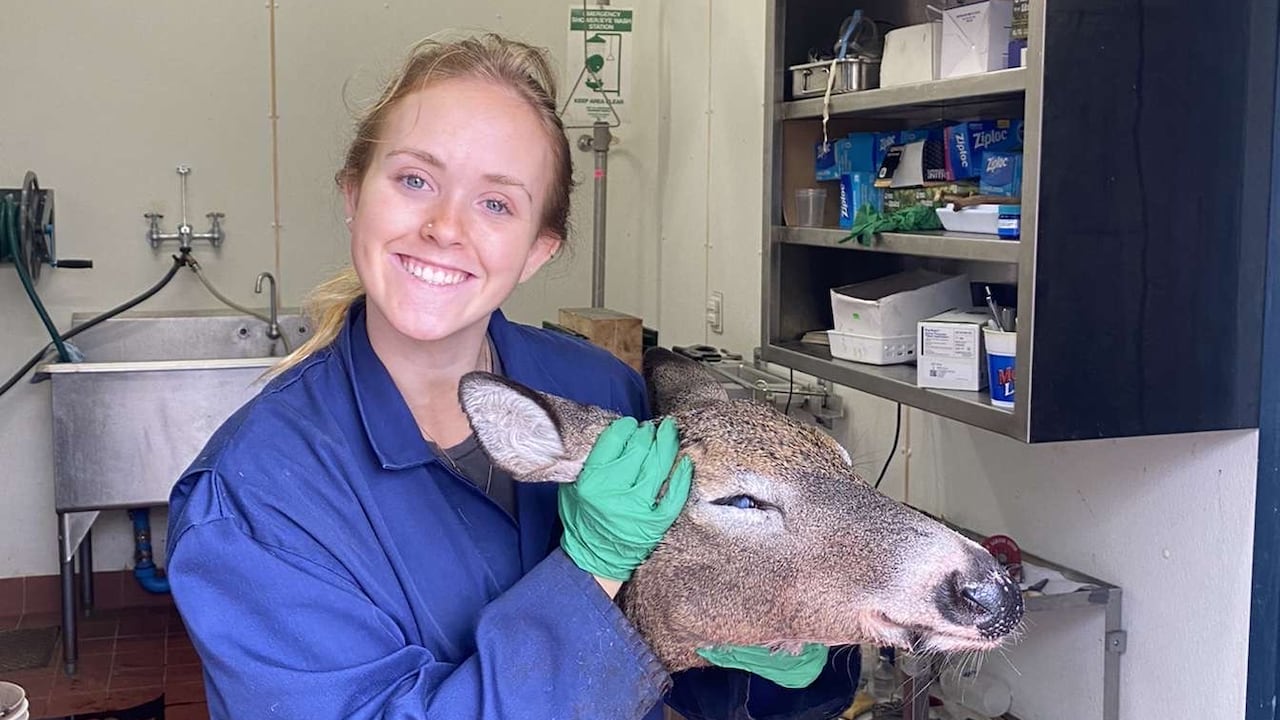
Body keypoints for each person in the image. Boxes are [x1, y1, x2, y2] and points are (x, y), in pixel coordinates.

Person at [166, 31, 858, 719]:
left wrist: (768, 652)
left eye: (496, 203)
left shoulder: (602, 392)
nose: (444, 226)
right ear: (354, 196)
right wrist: (590, 573)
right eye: (415, 180)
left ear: (536, 250)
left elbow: (675, 653)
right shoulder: (256, 498)